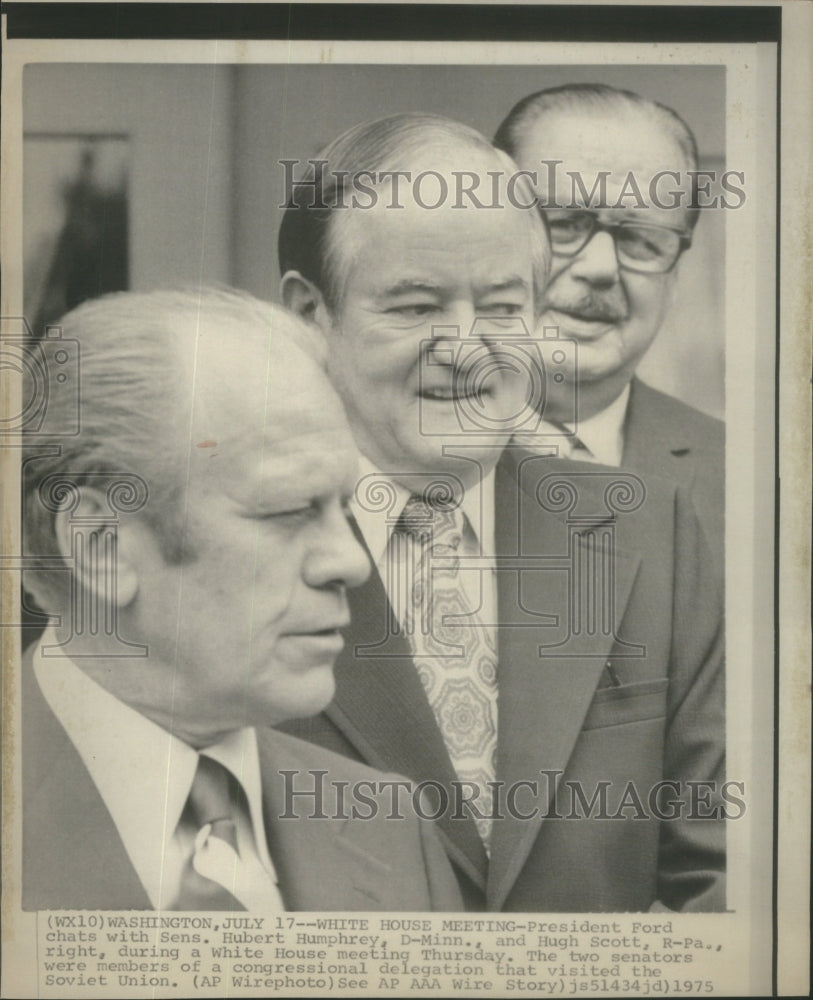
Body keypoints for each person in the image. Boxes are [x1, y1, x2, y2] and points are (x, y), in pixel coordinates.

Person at [278, 112, 725, 913]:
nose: (466, 348)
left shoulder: (652, 534)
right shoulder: (234, 547)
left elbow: (727, 874)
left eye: (500, 306)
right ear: (309, 315)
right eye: (416, 307)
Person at [20, 287, 463, 912]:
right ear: (102, 546)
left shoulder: (388, 826)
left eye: (344, 508)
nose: (353, 562)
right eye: (287, 509)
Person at [494, 84, 724, 561]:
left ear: (675, 276)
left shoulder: (744, 479)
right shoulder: (368, 448)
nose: (601, 268)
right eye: (562, 223)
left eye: (641, 239)